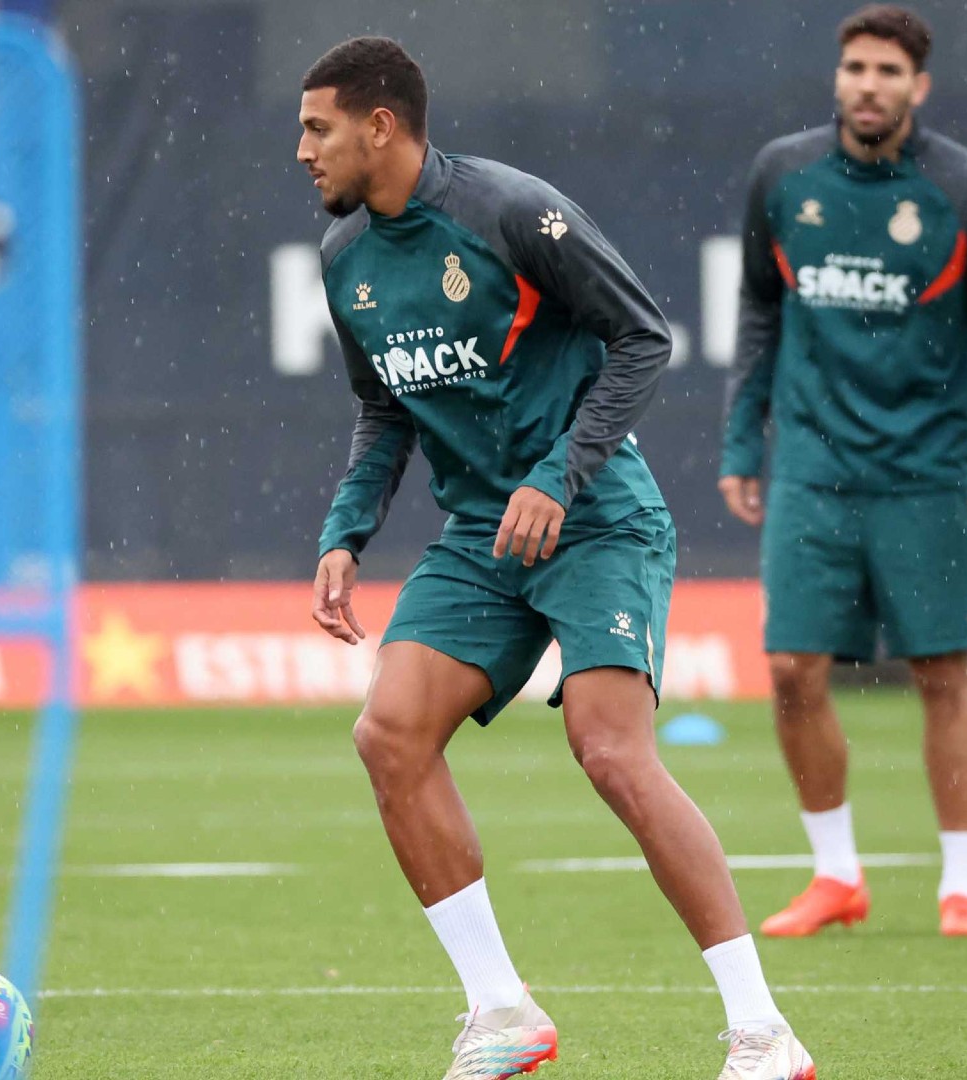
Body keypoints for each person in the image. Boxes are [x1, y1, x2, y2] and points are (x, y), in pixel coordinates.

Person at [299, 37, 813, 1080]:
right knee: (389, 734)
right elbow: (381, 410)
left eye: (318, 129)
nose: (301, 150)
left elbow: (643, 337)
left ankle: (764, 1033)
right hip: (482, 541)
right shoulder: (343, 260)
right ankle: (502, 1013)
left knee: (611, 751)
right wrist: (345, 532)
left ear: (381, 126)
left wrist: (558, 473)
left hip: (595, 515)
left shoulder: (508, 211)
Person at [720, 4, 967, 941]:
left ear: (918, 87)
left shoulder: (966, 186)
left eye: (889, 72)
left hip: (930, 471)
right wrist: (745, 443)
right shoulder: (782, 174)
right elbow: (758, 312)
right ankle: (836, 876)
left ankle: (964, 886)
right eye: (855, 67)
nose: (869, 84)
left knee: (942, 672)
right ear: (839, 77)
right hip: (814, 466)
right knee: (789, 668)